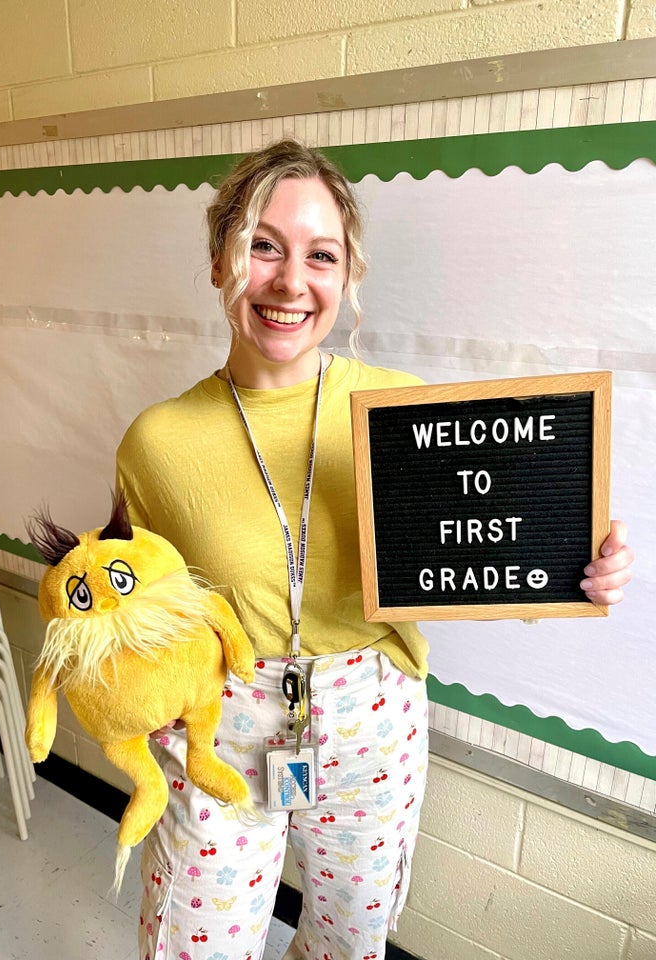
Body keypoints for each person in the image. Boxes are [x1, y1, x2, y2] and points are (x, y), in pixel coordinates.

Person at [116, 139, 634, 960]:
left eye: (321, 254)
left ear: (348, 273)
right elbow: (126, 593)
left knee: (349, 944)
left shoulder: (407, 415)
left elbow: (489, 556)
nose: (291, 281)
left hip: (369, 724)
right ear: (220, 261)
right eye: (263, 245)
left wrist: (580, 563)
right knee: (194, 945)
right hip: (218, 723)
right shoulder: (156, 441)